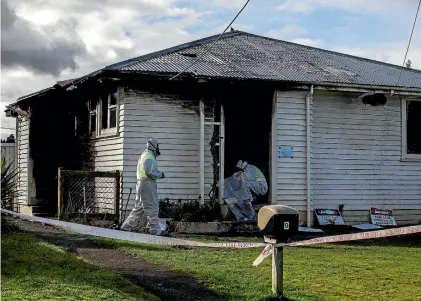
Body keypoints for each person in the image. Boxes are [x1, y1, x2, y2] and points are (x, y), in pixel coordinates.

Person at [121, 139, 166, 235]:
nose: (158, 148)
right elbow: (149, 172)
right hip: (147, 183)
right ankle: (155, 230)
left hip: (141, 183)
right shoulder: (148, 156)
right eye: (157, 146)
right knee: (152, 206)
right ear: (153, 146)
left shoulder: (144, 155)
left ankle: (126, 227)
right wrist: (160, 174)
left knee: (139, 208)